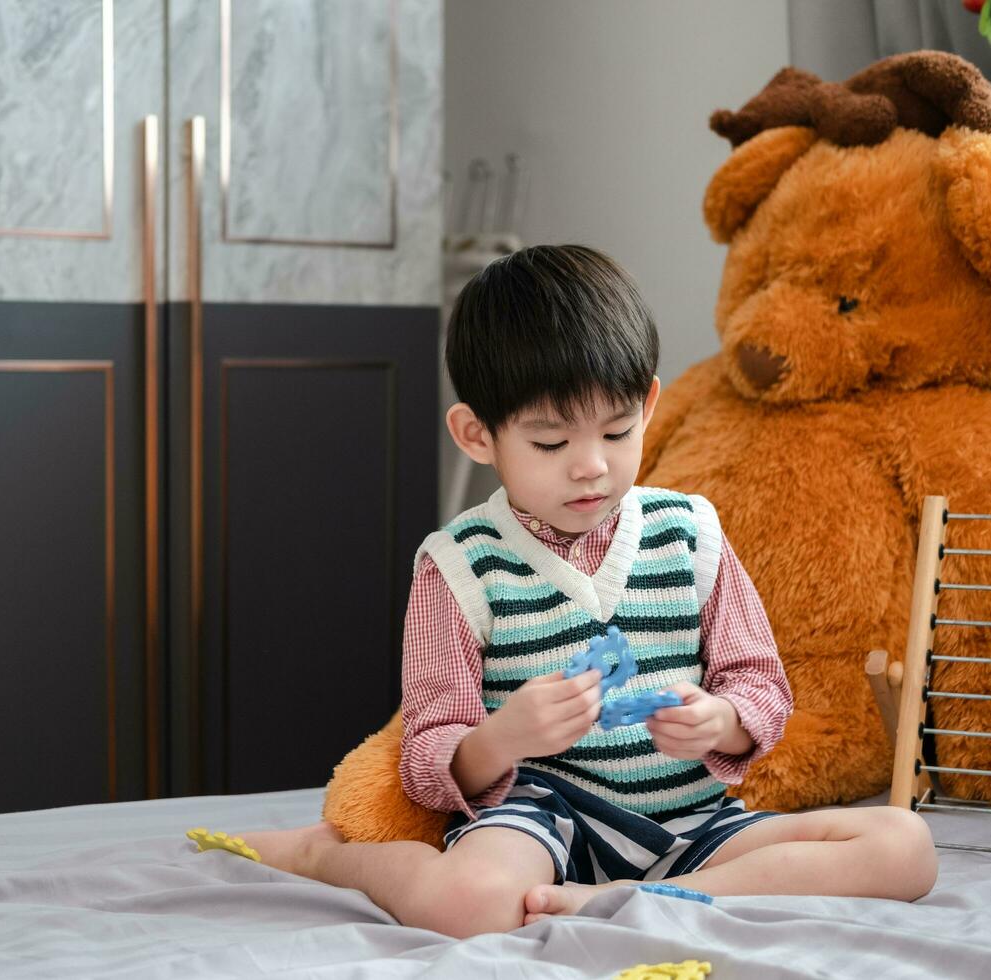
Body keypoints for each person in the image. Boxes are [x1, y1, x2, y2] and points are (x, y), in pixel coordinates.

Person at [213, 244, 938, 938]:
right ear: (476, 435)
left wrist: (721, 721)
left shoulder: (691, 532)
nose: (591, 467)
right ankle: (330, 856)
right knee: (469, 902)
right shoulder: (459, 564)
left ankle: (636, 898)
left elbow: (760, 685)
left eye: (618, 431)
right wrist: (507, 736)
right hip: (539, 820)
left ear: (649, 404)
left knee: (904, 845)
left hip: (690, 822)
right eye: (552, 444)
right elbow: (428, 756)